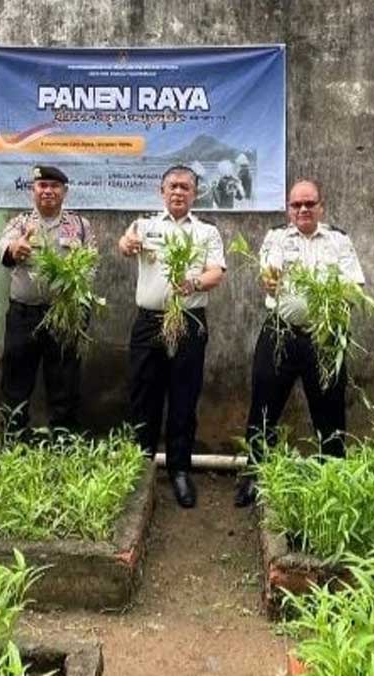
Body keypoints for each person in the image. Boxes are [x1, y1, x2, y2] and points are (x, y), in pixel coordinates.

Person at [235, 179, 365, 508]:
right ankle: (254, 474)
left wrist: (331, 299)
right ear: (288, 209)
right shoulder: (276, 238)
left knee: (330, 409)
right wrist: (270, 280)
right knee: (263, 406)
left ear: (321, 206)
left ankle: (332, 477)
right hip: (280, 332)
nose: (303, 209)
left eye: (309, 204)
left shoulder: (339, 240)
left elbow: (355, 286)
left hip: (325, 336)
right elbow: (269, 277)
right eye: (296, 205)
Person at [118, 166, 226, 508]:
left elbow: (215, 273)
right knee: (143, 395)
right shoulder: (145, 225)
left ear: (195, 193)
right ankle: (141, 467)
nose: (178, 192)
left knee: (184, 396)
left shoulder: (207, 232)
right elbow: (124, 245)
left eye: (185, 187)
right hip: (149, 322)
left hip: (189, 321)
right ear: (161, 191)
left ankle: (180, 470)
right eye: (172, 186)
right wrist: (126, 243)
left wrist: (193, 283)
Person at [0, 165, 95, 434]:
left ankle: (63, 440)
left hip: (65, 315)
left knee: (65, 380)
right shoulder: (19, 223)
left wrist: (75, 285)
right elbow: (5, 248)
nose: (48, 191)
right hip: (24, 315)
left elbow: (91, 265)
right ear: (33, 190)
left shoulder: (80, 225)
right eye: (42, 186)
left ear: (65, 191)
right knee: (16, 380)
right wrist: (15, 248)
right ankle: (15, 438)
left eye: (54, 186)